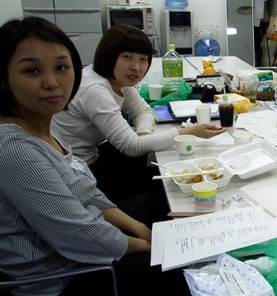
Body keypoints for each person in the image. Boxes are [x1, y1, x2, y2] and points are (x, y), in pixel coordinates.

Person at [0, 17, 209, 296]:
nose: (52, 82)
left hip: (77, 250)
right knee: (194, 270)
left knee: (164, 206)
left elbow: (87, 192)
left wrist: (140, 229)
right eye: (32, 71)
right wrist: (151, 244)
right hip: (58, 283)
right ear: (3, 79)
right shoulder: (14, 149)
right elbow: (81, 235)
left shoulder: (39, 125)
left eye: (61, 67)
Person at [52, 24, 225, 201]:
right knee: (168, 190)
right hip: (80, 172)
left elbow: (144, 111)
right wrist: (189, 132)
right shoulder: (95, 89)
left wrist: (143, 134)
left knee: (162, 166)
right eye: (127, 57)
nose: (136, 67)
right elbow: (132, 147)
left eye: (143, 59)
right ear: (109, 55)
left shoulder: (116, 79)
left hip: (94, 156)